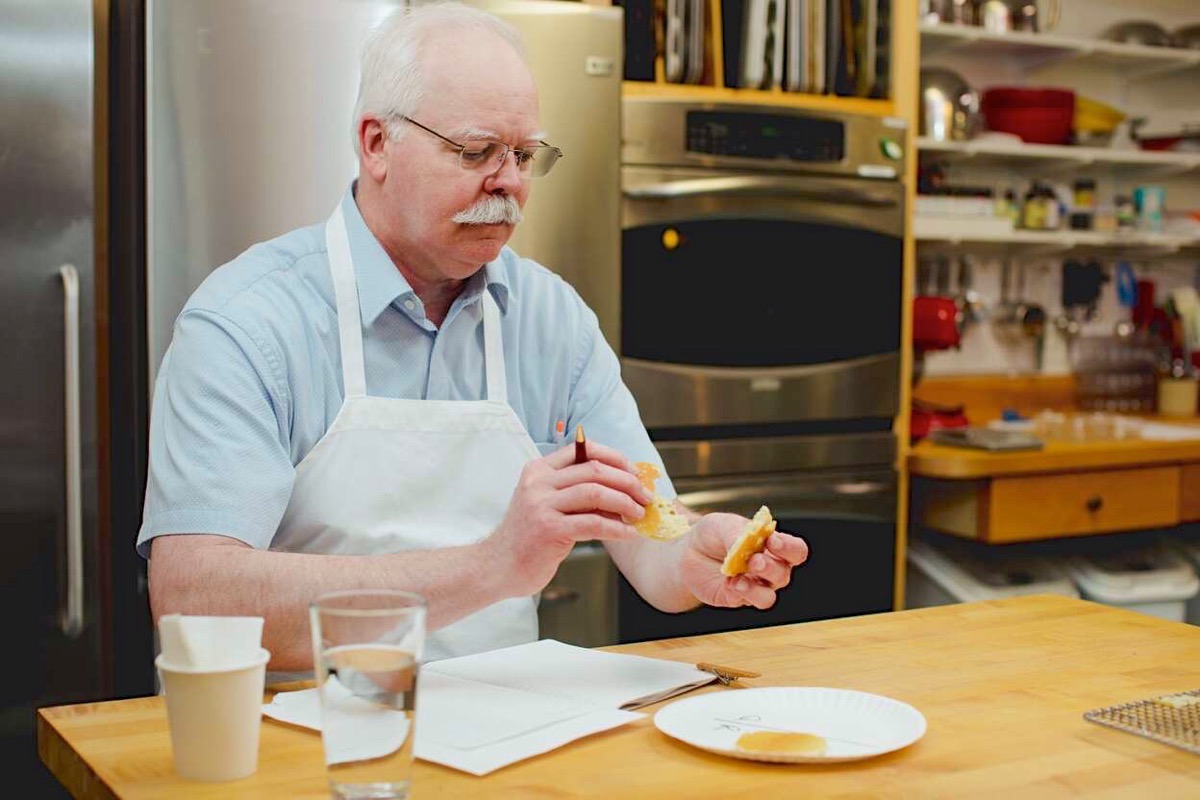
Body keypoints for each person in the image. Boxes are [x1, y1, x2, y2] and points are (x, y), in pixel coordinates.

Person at [137, 0, 809, 673]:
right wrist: (493, 564)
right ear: (376, 143)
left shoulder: (552, 321)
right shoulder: (250, 322)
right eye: (476, 150)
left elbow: (648, 532)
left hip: (503, 742)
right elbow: (195, 598)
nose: (510, 184)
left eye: (523, 154)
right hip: (298, 744)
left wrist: (695, 553)